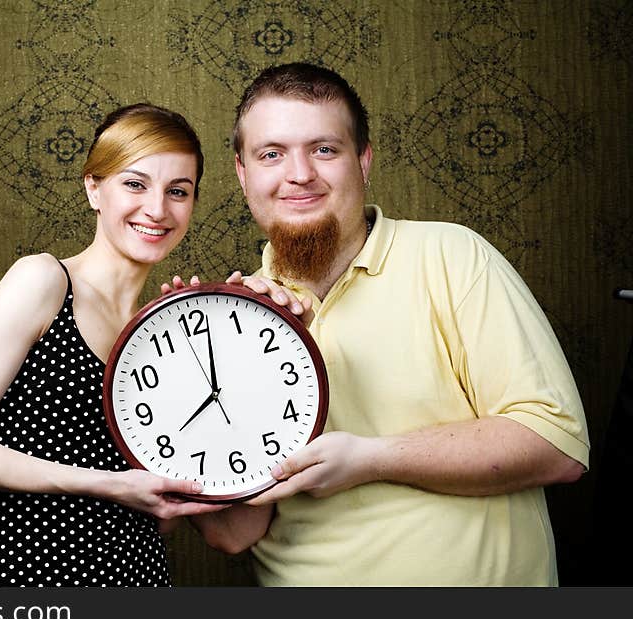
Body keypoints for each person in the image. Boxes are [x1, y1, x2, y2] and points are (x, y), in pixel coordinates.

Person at [189, 62, 589, 586]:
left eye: (324, 149)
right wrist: (193, 381)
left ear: (364, 159)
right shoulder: (229, 322)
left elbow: (557, 447)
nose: (300, 173)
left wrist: (371, 459)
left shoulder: (451, 256)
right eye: (271, 154)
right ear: (243, 174)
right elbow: (234, 532)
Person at [0, 103, 222, 587]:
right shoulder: (44, 282)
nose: (157, 209)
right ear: (93, 187)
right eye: (135, 184)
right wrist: (111, 487)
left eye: (178, 192)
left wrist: (211, 348)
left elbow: (166, 513)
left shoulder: (160, 335)